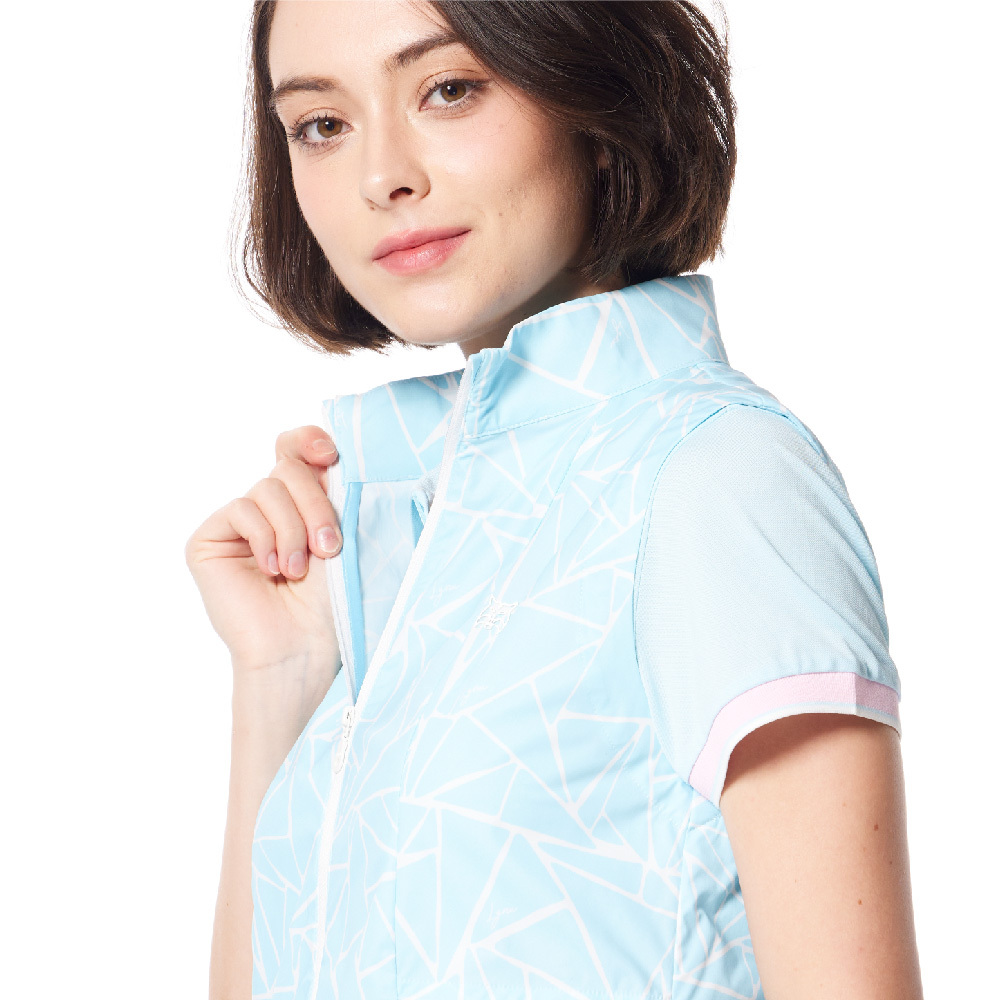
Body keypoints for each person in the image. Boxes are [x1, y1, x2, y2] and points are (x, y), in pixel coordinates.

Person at [185, 2, 924, 997]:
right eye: (322, 123)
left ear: (594, 90)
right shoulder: (413, 517)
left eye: (450, 89)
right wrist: (281, 674)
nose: (379, 175)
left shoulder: (713, 476)